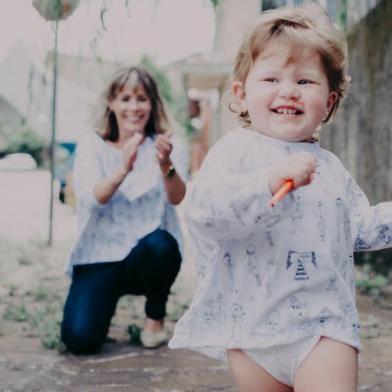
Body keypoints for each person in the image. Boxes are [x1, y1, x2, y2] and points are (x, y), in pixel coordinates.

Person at [169, 3, 392, 391]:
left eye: (305, 82)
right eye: (271, 79)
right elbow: (206, 211)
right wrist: (267, 181)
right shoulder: (234, 151)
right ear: (241, 94)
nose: (288, 90)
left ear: (331, 102)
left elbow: (357, 228)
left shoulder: (332, 169)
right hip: (251, 328)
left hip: (324, 326)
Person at [61, 66, 188, 354]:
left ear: (152, 104)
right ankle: (102, 299)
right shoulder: (92, 145)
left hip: (144, 256)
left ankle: (154, 315)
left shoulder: (166, 146)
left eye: (142, 99)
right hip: (98, 256)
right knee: (79, 341)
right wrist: (123, 168)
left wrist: (166, 164)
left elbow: (177, 198)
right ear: (111, 102)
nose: (134, 107)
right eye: (126, 98)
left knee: (162, 244)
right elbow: (93, 199)